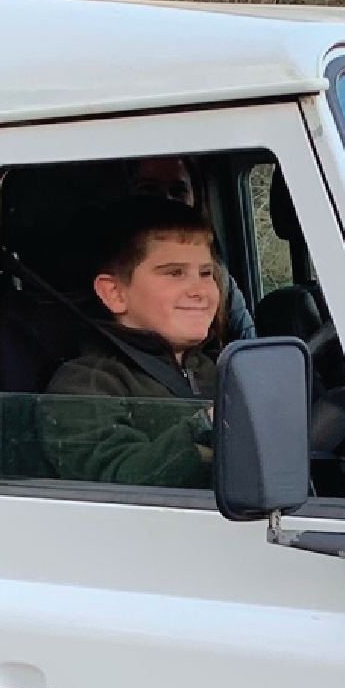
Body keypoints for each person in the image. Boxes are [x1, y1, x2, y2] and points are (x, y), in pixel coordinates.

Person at [39, 195, 226, 487]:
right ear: (114, 293)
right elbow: (116, 480)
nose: (200, 290)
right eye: (175, 273)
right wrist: (208, 428)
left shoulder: (215, 370)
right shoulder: (85, 384)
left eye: (205, 273)